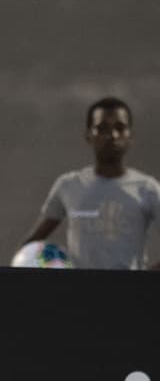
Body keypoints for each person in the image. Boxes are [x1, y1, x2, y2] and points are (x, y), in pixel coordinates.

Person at [20, 97, 160, 269]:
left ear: (130, 135)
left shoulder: (147, 188)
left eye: (120, 128)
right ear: (88, 135)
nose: (112, 135)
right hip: (79, 292)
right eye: (102, 128)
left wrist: (143, 281)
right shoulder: (68, 185)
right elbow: (31, 246)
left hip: (128, 293)